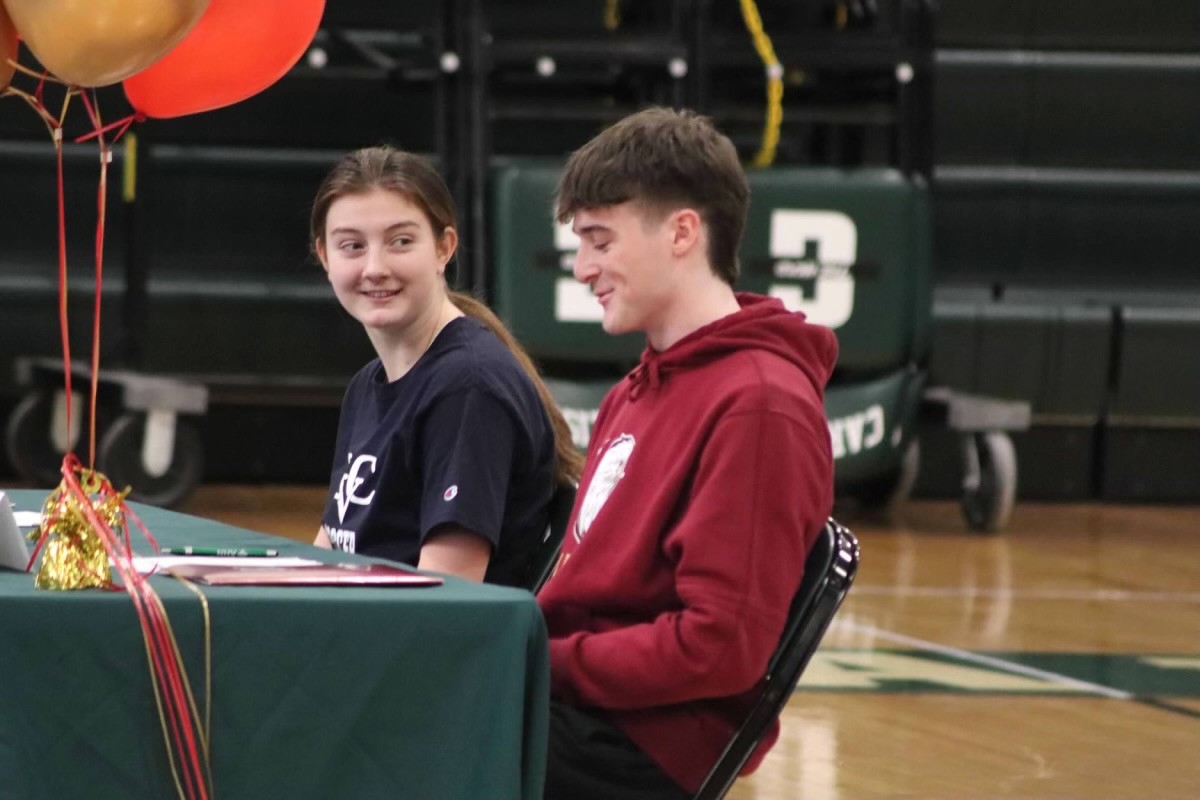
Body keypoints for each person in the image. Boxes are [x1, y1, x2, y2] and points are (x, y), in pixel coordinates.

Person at [536, 107, 839, 798]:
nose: (583, 268)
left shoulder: (761, 405)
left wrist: (534, 661)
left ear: (682, 232)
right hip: (578, 711)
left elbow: (721, 647)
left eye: (600, 241)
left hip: (634, 748)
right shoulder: (637, 389)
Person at [309, 146, 582, 586]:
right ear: (325, 257)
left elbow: (445, 605)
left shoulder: (467, 387)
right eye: (352, 246)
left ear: (444, 248)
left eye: (400, 241)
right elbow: (332, 548)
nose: (375, 267)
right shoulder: (367, 385)